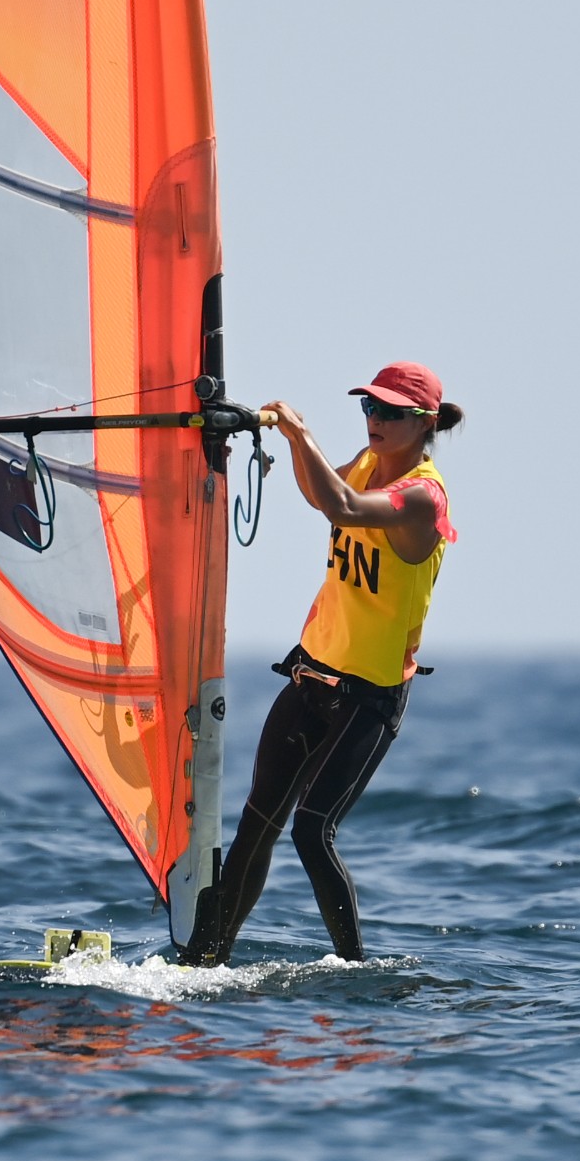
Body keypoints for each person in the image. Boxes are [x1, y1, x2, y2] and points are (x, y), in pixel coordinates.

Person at [185, 361, 463, 967]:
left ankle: (356, 971)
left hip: (370, 697)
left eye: (391, 412)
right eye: (370, 407)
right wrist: (286, 441)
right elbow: (319, 494)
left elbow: (341, 507)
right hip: (312, 673)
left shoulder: (423, 496)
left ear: (426, 422)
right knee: (256, 824)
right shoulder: (367, 463)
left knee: (312, 832)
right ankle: (205, 964)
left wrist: (298, 432)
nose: (375, 420)